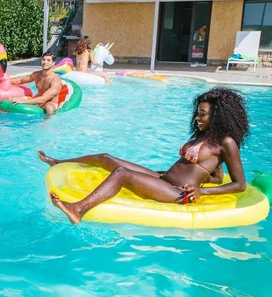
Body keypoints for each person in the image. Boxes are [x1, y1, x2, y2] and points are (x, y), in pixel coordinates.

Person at [38, 87, 249, 224]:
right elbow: (217, 176)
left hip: (177, 192)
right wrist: (203, 179)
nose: (197, 118)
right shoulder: (205, 137)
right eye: (198, 112)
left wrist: (202, 192)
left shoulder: (226, 143)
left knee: (122, 173)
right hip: (164, 178)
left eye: (202, 114)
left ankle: (78, 209)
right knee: (106, 158)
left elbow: (240, 184)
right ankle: (57, 161)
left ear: (218, 115)